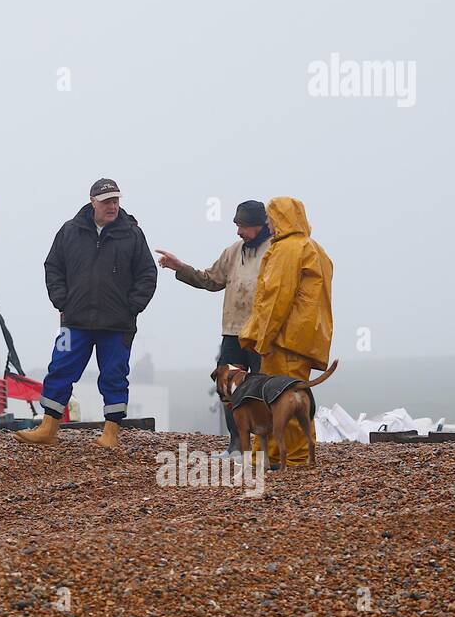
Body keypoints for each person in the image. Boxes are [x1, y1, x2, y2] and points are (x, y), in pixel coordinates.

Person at [15, 178, 157, 449]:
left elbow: (147, 274)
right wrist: (61, 301)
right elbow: (53, 266)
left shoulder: (133, 234)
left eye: (116, 200)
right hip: (74, 322)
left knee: (114, 374)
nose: (112, 206)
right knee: (60, 367)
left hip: (118, 325)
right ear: (93, 201)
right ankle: (48, 427)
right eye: (106, 201)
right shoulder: (70, 231)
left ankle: (111, 432)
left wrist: (132, 307)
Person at [155, 200, 272, 454]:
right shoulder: (233, 251)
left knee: (261, 390)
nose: (239, 232)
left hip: (263, 335)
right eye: (237, 225)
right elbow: (210, 280)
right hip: (232, 333)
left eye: (243, 226)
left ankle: (264, 448)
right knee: (228, 389)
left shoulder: (275, 252)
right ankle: (236, 445)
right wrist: (180, 267)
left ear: (261, 225)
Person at [239, 197, 333, 466]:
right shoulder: (315, 249)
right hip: (302, 339)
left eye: (270, 218)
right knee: (293, 397)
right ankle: (273, 457)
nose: (269, 224)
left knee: (279, 400)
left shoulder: (287, 250)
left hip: (283, 341)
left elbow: (276, 299)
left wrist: (262, 338)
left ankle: (295, 458)